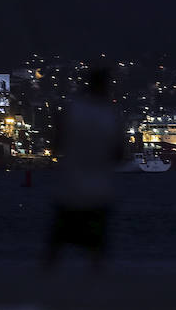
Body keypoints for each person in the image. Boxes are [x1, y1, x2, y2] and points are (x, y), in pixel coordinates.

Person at [44, 67, 123, 269]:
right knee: (96, 240)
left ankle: (45, 277)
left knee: (59, 236)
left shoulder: (72, 110)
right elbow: (119, 154)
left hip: (71, 184)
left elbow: (56, 144)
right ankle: (96, 280)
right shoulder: (111, 115)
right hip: (99, 187)